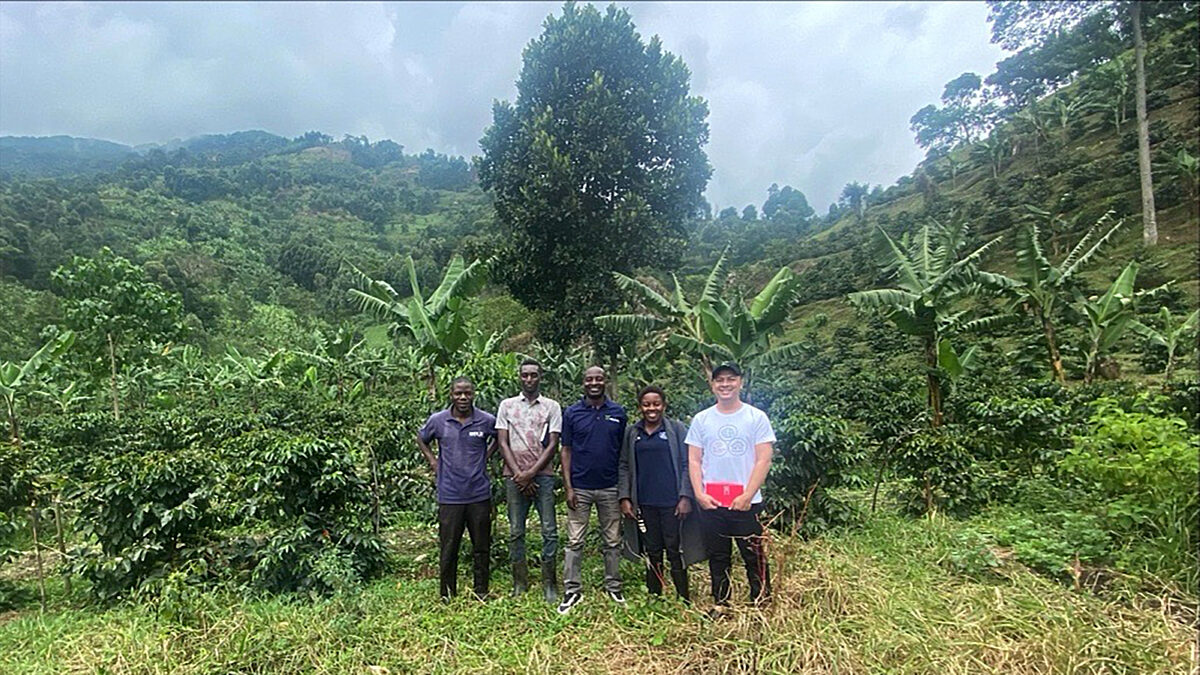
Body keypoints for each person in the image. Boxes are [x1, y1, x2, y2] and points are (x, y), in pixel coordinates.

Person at [685, 363, 775, 613]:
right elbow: (694, 459)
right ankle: (722, 603)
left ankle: (761, 603)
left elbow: (763, 458)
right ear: (712, 385)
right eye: (719, 380)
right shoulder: (702, 419)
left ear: (740, 382)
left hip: (747, 502)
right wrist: (699, 494)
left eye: (730, 379)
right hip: (712, 503)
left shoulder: (756, 417)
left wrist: (747, 495)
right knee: (718, 556)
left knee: (753, 555)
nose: (725, 384)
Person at [618, 385, 705, 603]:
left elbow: (688, 464)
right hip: (645, 503)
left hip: (672, 503)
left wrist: (686, 496)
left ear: (664, 405)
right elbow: (624, 466)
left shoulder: (676, 429)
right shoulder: (632, 432)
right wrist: (625, 497)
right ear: (640, 407)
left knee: (675, 549)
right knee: (652, 550)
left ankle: (683, 597)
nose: (651, 408)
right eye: (646, 404)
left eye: (656, 403)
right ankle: (654, 595)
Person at [416, 376, 497, 601]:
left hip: (478, 494)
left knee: (481, 547)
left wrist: (485, 456)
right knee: (449, 548)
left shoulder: (486, 420)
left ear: (473, 394)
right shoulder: (438, 420)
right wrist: (433, 461)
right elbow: (422, 438)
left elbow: (500, 437)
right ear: (450, 395)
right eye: (458, 393)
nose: (463, 397)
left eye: (467, 393)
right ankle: (447, 594)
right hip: (450, 495)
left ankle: (481, 591)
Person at [558, 366, 627, 614]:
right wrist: (568, 487)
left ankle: (614, 587)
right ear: (583, 383)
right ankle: (572, 591)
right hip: (580, 487)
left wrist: (623, 489)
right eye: (589, 379)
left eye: (598, 378)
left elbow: (622, 453)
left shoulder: (618, 413)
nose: (594, 383)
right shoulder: (572, 413)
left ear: (605, 381)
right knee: (575, 541)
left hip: (610, 487)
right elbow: (566, 450)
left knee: (612, 540)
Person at [495, 358, 563, 602]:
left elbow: (553, 443)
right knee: (515, 531)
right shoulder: (507, 405)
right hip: (513, 477)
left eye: (533, 375)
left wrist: (531, 473)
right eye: (525, 375)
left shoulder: (552, 407)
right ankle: (519, 582)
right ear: (519, 377)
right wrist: (519, 475)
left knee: (549, 530)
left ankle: (550, 584)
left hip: (543, 477)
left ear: (540, 377)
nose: (529, 379)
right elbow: (502, 442)